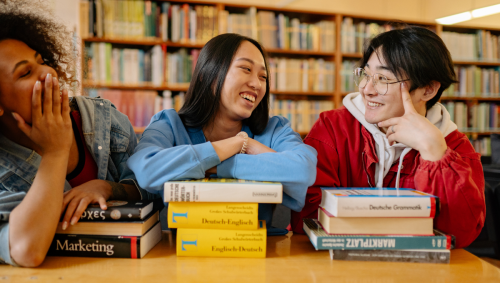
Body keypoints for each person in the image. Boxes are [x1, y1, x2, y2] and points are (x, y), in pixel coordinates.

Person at [291, 26, 485, 249]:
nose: (366, 89)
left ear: (428, 90)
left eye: (382, 78)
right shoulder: (333, 127)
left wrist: (434, 152)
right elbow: (305, 214)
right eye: (366, 74)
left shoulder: (455, 146)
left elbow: (460, 233)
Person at [0, 1, 155, 267]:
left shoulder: (107, 121)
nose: (48, 72)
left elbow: (156, 192)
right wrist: (56, 152)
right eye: (26, 72)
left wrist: (109, 187)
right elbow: (26, 250)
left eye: (41, 61)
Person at [127, 33, 317, 230]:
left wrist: (221, 162)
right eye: (246, 69)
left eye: (263, 76)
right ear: (208, 74)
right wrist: (235, 144)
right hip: (183, 252)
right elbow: (147, 168)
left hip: (255, 251)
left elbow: (303, 169)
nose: (257, 84)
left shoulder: (274, 129)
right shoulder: (169, 124)